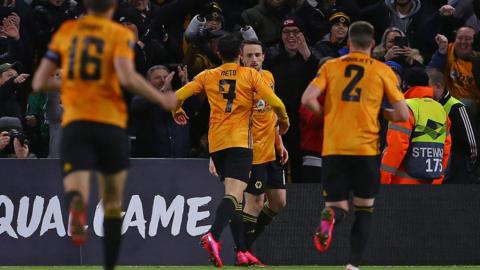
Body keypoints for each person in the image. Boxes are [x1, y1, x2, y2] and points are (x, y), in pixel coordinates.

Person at [31, 1, 177, 270]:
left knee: (76, 180)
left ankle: (76, 201)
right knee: (112, 201)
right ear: (112, 7)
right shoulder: (119, 34)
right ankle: (109, 267)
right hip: (110, 123)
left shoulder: (67, 31)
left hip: (76, 123)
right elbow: (127, 77)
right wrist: (160, 97)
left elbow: (39, 82)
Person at [173, 34, 289, 267]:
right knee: (235, 197)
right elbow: (276, 103)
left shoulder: (208, 75)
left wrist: (176, 110)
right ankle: (214, 236)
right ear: (239, 55)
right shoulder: (250, 75)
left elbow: (177, 96)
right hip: (241, 143)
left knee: (234, 198)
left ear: (218, 53)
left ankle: (241, 250)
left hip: (217, 144)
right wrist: (284, 120)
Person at [301, 21, 409, 270]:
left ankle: (331, 217)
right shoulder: (383, 71)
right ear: (373, 44)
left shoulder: (331, 66)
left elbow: (307, 99)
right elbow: (402, 113)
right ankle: (353, 265)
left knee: (336, 206)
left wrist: (327, 114)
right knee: (364, 208)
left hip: (334, 148)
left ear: (349, 43)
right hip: (365, 149)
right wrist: (384, 113)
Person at [208, 39, 288, 263]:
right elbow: (223, 118)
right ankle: (243, 253)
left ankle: (243, 250)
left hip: (271, 149)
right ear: (241, 58)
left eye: (257, 55)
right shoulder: (241, 81)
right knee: (253, 203)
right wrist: (216, 155)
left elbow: (271, 115)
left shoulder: (269, 77)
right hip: (250, 150)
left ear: (263, 57)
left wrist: (279, 141)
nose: (254, 60)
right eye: (249, 55)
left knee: (279, 202)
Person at [380, 67, 451, 185]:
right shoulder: (440, 110)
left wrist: (383, 181)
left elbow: (396, 148)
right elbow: (445, 150)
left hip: (402, 187)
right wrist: (437, 181)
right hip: (430, 186)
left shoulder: (404, 109)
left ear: (405, 85)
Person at [428, 68, 479, 184]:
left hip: (457, 171)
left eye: (427, 88)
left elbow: (473, 144)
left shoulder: (457, 108)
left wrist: (468, 167)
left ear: (439, 87)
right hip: (436, 167)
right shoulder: (429, 106)